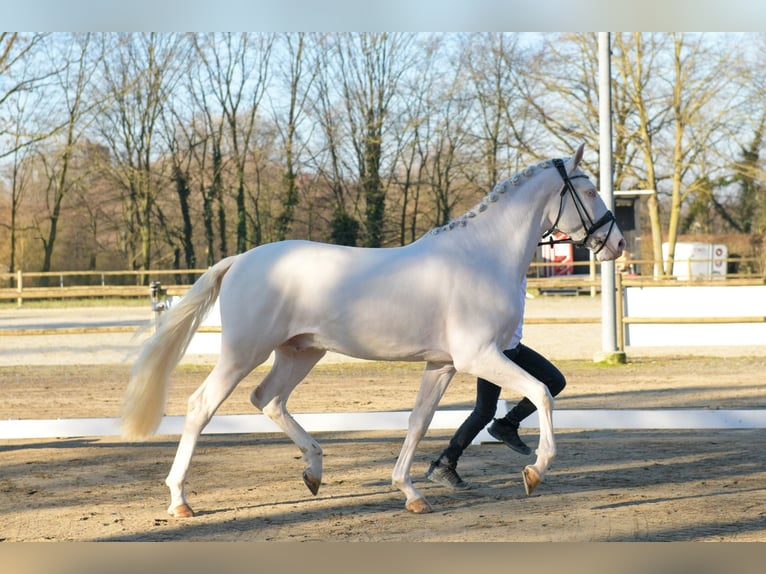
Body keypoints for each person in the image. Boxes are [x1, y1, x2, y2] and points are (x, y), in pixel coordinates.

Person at [425, 281, 567, 490]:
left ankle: (507, 425)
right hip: (495, 353)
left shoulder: (516, 271)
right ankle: (444, 464)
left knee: (555, 381)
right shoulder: (495, 276)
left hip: (514, 347)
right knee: (484, 411)